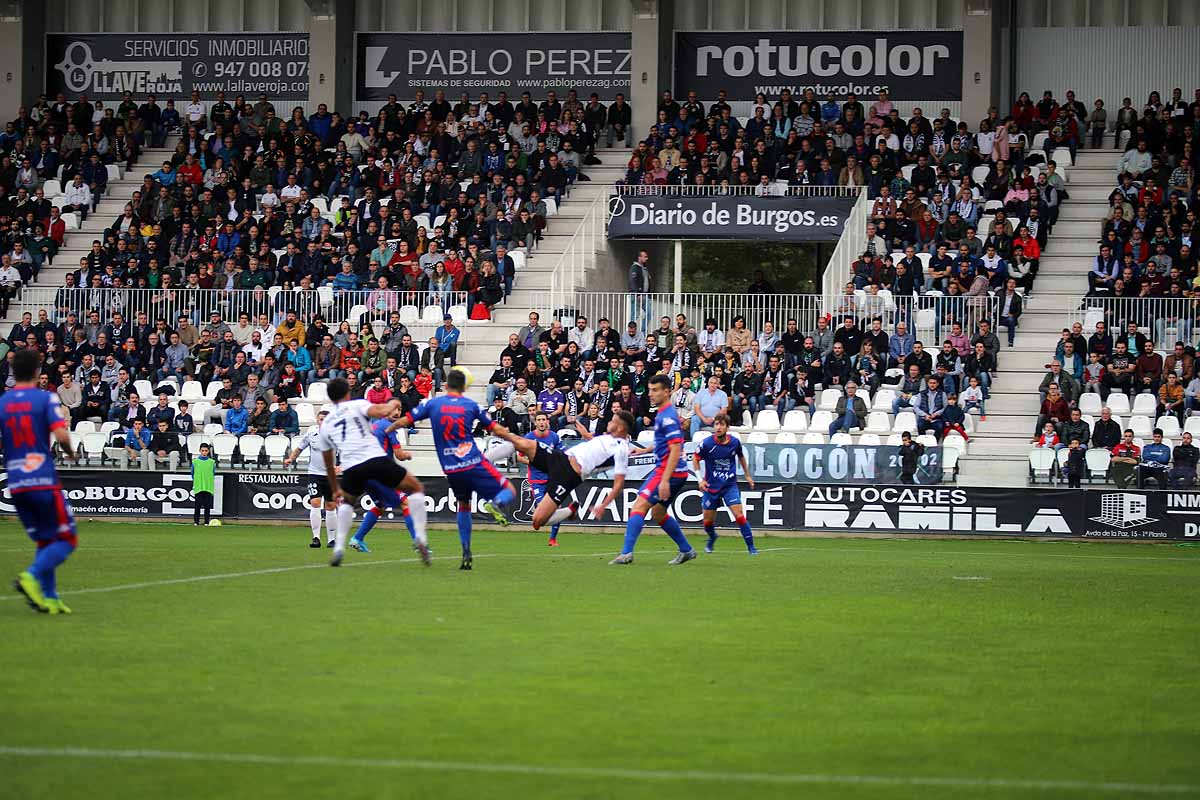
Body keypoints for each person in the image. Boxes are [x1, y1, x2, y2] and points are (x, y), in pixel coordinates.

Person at [395, 367, 514, 570]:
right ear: (464, 386)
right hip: (472, 461)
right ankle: (495, 503)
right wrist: (513, 438)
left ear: (446, 385)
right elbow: (493, 427)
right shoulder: (470, 405)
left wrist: (389, 426)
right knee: (509, 490)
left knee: (463, 505)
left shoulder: (434, 403)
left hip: (451, 468)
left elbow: (408, 419)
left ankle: (465, 550)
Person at [319, 380, 431, 567]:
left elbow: (328, 463)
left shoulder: (327, 423)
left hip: (351, 467)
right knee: (416, 488)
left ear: (330, 398)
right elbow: (380, 411)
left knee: (348, 502)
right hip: (375, 459)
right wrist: (393, 404)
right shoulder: (357, 404)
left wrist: (334, 487)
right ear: (348, 393)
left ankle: (339, 547)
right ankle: (420, 537)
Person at [2, 349, 79, 615]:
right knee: (67, 538)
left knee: (45, 540)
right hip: (43, 481)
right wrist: (71, 453)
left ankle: (48, 597)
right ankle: (31, 576)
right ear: (37, 372)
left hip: (16, 483)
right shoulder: (45, 399)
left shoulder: (3, 402)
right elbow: (60, 433)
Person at [486, 410, 634, 531]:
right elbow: (595, 445)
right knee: (517, 441)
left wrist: (603, 505)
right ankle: (481, 462)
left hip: (568, 476)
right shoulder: (607, 437)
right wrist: (585, 434)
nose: (609, 422)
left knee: (537, 521)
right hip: (560, 458)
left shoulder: (621, 450)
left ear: (620, 428)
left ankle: (569, 511)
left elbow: (619, 484)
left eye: (613, 421)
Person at [610, 374, 696, 565]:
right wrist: (645, 450)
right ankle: (687, 550)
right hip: (675, 472)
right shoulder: (664, 414)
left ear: (667, 392)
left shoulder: (667, 417)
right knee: (658, 513)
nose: (651, 394)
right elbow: (666, 442)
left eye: (655, 390)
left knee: (639, 506)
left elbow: (675, 449)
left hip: (668, 471)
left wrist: (665, 479)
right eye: (650, 390)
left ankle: (626, 553)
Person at [349, 409, 420, 554]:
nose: (397, 412)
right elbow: (399, 455)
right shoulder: (389, 427)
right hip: (379, 472)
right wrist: (407, 455)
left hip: (365, 472)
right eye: (394, 409)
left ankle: (357, 538)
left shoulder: (375, 425)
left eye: (399, 409)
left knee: (380, 505)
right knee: (405, 503)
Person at [693, 414, 757, 555]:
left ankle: (751, 547)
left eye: (722, 425)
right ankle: (712, 537)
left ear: (727, 427)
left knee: (739, 515)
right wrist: (700, 480)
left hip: (729, 486)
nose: (718, 427)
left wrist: (747, 475)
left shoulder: (734, 442)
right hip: (711, 487)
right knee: (707, 522)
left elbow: (741, 456)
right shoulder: (707, 444)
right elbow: (695, 458)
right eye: (716, 424)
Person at [283, 409, 336, 548]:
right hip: (314, 474)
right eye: (321, 419)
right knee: (315, 503)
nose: (323, 422)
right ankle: (316, 538)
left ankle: (332, 539)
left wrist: (341, 466)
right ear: (317, 421)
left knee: (330, 505)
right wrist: (291, 459)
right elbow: (300, 448)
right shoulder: (311, 435)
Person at [522, 412, 565, 546]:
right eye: (539, 420)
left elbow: (562, 455)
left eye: (543, 419)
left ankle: (553, 539)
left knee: (558, 508)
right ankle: (538, 519)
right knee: (544, 508)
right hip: (536, 480)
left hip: (552, 478)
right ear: (535, 423)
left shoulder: (554, 437)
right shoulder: (529, 437)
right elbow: (519, 456)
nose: (541, 422)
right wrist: (535, 462)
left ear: (547, 422)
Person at [191, 442, 216, 526]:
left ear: (208, 451)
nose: (204, 452)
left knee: (207, 506)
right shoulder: (195, 462)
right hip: (199, 487)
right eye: (202, 451)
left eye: (206, 451)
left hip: (208, 487)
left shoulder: (212, 462)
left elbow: (213, 473)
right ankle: (196, 522)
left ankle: (206, 522)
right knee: (197, 506)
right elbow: (192, 474)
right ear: (199, 451)